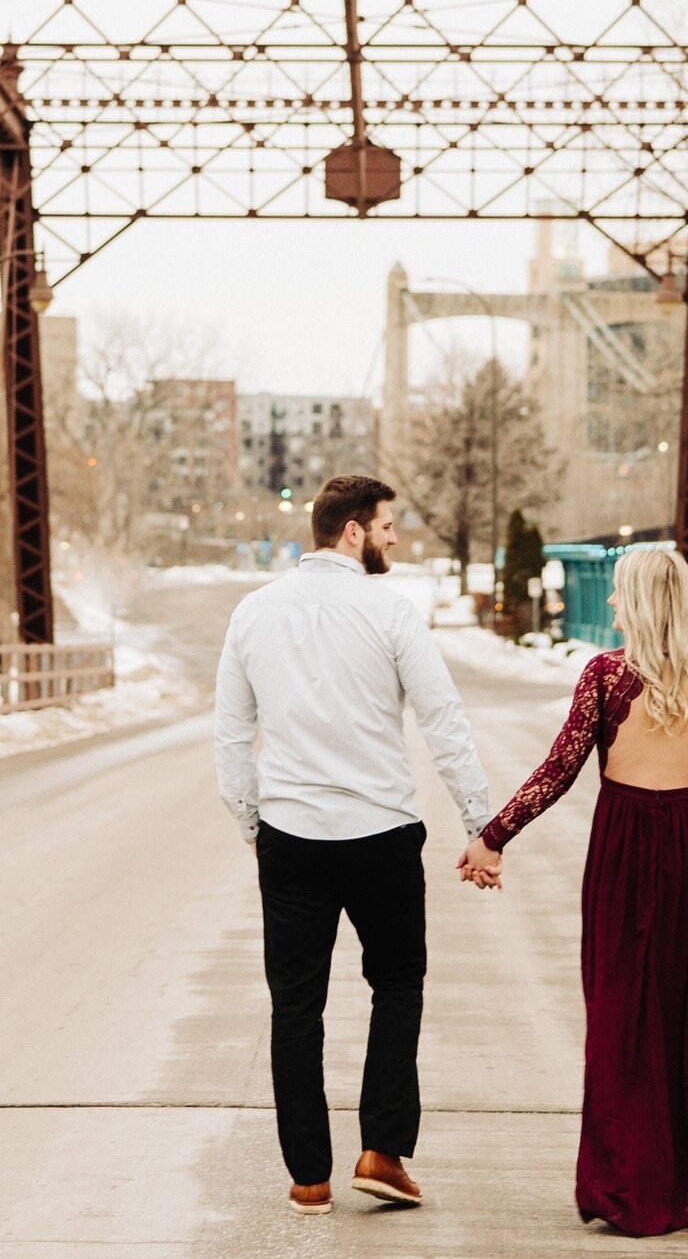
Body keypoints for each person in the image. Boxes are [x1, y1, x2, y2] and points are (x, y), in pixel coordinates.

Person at [457, 548, 688, 1237]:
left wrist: (494, 836)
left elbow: (559, 767)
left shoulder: (606, 675)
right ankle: (677, 1176)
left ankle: (628, 1187)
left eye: (621, 596)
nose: (613, 606)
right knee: (682, 1015)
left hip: (625, 854)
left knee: (623, 1020)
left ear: (644, 603)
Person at [214, 474, 494, 1218]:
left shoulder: (253, 613)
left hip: (292, 836)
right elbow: (443, 719)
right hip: (381, 836)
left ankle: (309, 1175)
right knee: (397, 985)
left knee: (295, 1006)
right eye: (387, 524)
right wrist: (481, 822)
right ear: (352, 531)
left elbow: (231, 734)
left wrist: (253, 822)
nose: (395, 537)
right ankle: (383, 1151)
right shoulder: (392, 612)